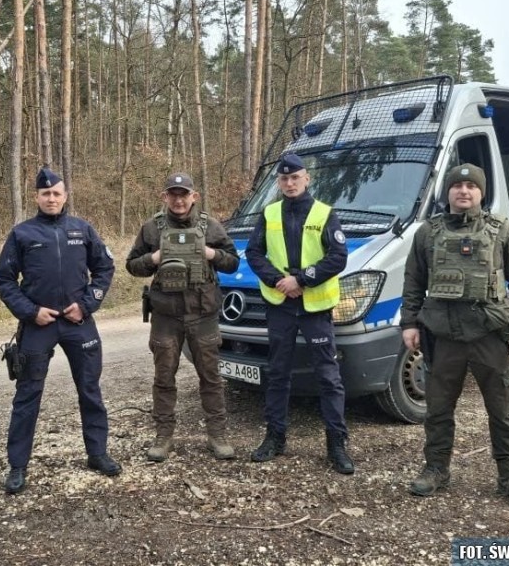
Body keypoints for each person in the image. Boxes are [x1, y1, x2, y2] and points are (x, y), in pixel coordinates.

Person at [399, 162, 509, 509]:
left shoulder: (501, 230)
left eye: (471, 186)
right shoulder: (427, 232)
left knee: (503, 409)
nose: (464, 191)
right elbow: (414, 281)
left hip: (489, 333)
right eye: (457, 186)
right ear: (447, 192)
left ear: (481, 192)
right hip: (443, 334)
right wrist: (409, 324)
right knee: (437, 409)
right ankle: (435, 470)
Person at [0, 166, 121, 494]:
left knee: (90, 390)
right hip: (39, 326)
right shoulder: (22, 234)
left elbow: (105, 267)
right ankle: (17, 466)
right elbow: (4, 279)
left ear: (65, 196)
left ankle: (97, 453)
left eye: (57, 193)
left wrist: (88, 303)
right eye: (45, 193)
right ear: (36, 197)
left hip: (79, 323)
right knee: (27, 396)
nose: (51, 198)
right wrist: (30, 311)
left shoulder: (82, 229)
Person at [245, 153, 355, 474]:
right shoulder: (269, 213)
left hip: (315, 307)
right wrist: (279, 281)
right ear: (278, 182)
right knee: (278, 373)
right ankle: (275, 438)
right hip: (281, 305)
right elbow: (254, 252)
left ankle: (336, 444)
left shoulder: (324, 213)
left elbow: (338, 257)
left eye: (295, 178)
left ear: (308, 179)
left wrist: (302, 279)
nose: (290, 183)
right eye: (284, 179)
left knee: (328, 377)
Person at [126, 172, 241, 461]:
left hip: (203, 315)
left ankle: (217, 435)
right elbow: (131, 265)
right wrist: (152, 259)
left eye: (184, 194)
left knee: (211, 378)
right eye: (173, 194)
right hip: (166, 316)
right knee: (164, 377)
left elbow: (233, 262)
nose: (178, 199)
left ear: (194, 197)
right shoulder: (152, 228)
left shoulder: (211, 227)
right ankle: (163, 436)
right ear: (165, 197)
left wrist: (211, 254)